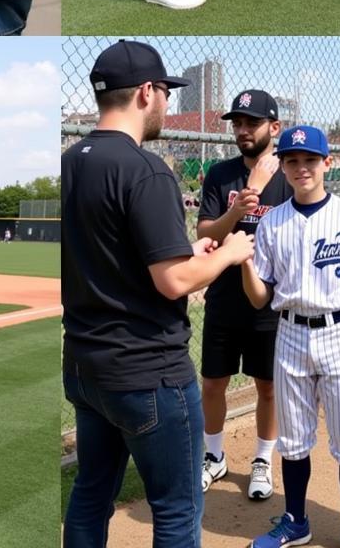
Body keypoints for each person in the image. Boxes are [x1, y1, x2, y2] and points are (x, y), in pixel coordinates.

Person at [62, 40, 255, 548]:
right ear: (146, 92)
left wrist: (186, 247)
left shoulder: (69, 161)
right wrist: (228, 253)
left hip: (85, 364)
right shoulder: (145, 169)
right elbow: (174, 282)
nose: (167, 102)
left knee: (90, 494)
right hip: (147, 369)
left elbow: (109, 251)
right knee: (177, 506)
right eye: (166, 92)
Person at [241, 124, 340, 548]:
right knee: (293, 438)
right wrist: (245, 264)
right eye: (292, 161)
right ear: (282, 167)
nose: (301, 168)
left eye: (309, 160)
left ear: (328, 163)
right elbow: (259, 297)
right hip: (290, 333)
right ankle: (296, 521)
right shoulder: (272, 223)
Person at [197, 89, 290, 499]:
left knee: (267, 386)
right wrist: (238, 209)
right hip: (224, 295)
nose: (242, 130)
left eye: (251, 122)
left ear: (274, 127)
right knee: (213, 382)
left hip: (270, 300)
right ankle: (214, 458)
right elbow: (205, 233)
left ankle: (262, 461)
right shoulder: (221, 174)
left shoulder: (291, 174)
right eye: (237, 123)